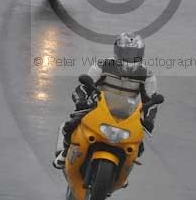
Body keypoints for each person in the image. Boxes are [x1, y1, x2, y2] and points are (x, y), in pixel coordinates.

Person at [53, 32, 161, 169]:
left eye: (135, 54)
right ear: (117, 52)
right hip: (98, 108)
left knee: (138, 147)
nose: (130, 57)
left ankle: (123, 169)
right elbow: (82, 87)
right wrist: (81, 101)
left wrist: (149, 121)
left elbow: (152, 102)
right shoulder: (102, 65)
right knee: (70, 126)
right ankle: (66, 151)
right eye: (127, 53)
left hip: (127, 115)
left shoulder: (147, 75)